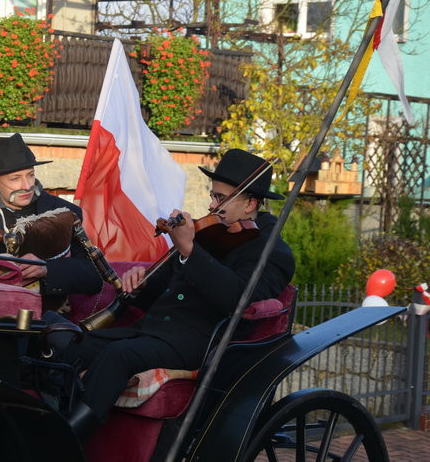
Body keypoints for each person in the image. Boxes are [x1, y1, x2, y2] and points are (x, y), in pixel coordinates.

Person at [63, 148, 295, 438]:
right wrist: (141, 283)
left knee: (118, 356)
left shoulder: (272, 251)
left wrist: (189, 249)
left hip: (197, 345)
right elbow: (155, 295)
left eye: (220, 199)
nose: (212, 206)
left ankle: (69, 439)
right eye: (213, 195)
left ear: (250, 204)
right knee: (67, 343)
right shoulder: (212, 234)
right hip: (152, 334)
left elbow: (238, 299)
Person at [0, 133, 103, 303]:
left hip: (49, 317)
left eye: (30, 175)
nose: (27, 185)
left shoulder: (65, 213)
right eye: (15, 178)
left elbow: (94, 278)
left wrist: (48, 269)